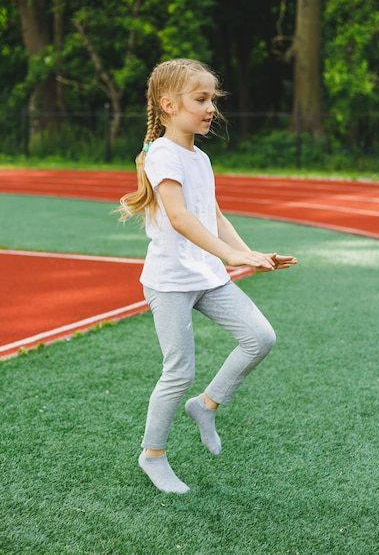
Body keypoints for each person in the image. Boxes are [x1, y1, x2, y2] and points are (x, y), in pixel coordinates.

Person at [118, 58, 297, 494]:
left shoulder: (201, 157)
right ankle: (152, 455)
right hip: (170, 281)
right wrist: (233, 256)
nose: (210, 107)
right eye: (200, 99)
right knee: (178, 370)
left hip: (207, 274)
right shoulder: (161, 154)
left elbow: (212, 216)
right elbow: (179, 218)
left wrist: (247, 252)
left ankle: (207, 404)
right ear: (168, 105)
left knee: (261, 337)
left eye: (212, 99)